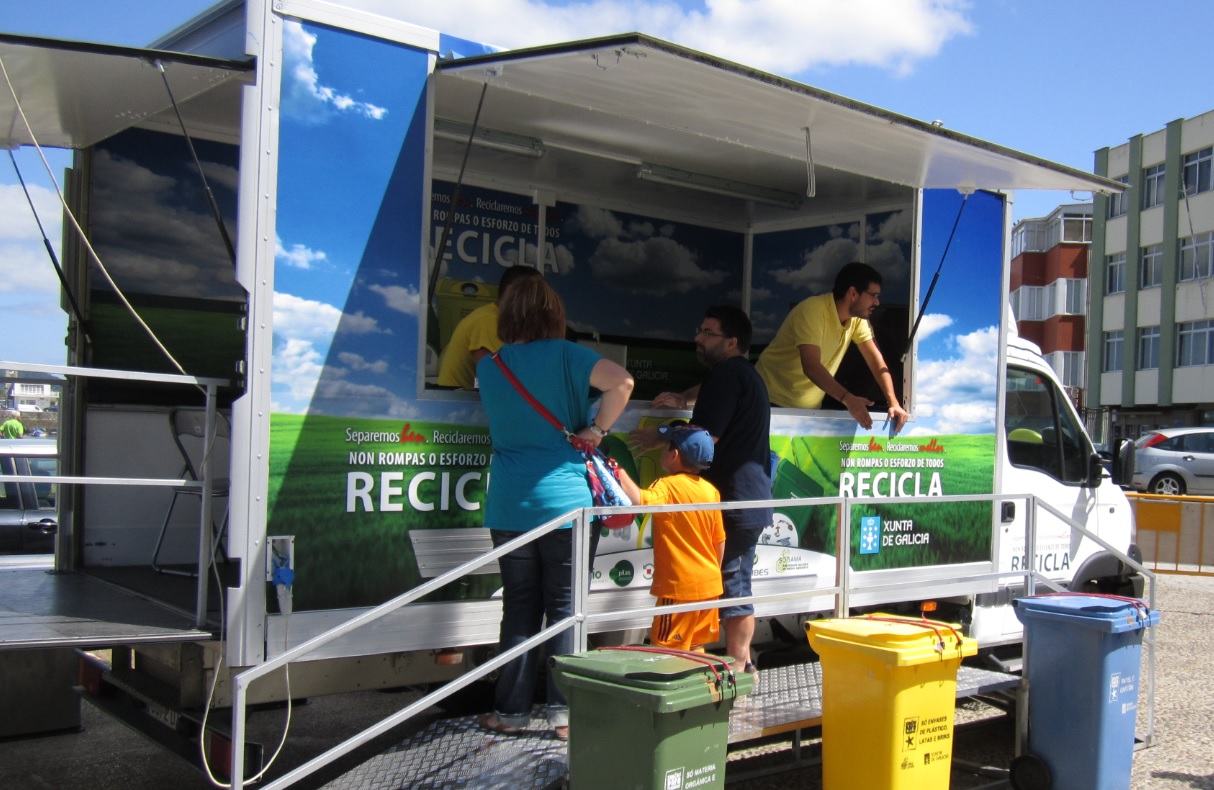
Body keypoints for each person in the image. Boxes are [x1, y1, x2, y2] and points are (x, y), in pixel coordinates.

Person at [474, 277, 634, 740]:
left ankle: (510, 712)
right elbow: (622, 383)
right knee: (566, 608)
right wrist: (597, 431)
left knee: (520, 609)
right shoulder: (567, 354)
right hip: (566, 504)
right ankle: (563, 716)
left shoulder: (490, 367)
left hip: (508, 505)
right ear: (553, 315)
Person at [635, 305, 771, 674]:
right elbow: (714, 403)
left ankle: (741, 668)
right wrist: (684, 397)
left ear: (730, 342)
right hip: (741, 501)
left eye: (707, 333)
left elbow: (703, 439)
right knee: (728, 585)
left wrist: (660, 434)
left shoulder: (727, 376)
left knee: (735, 588)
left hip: (737, 504)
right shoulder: (740, 373)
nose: (697, 338)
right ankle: (727, 665)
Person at [755, 261, 909, 433]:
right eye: (873, 295)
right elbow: (811, 366)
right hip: (766, 402)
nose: (878, 302)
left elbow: (876, 360)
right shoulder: (813, 310)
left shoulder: (858, 320)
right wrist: (848, 399)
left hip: (806, 412)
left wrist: (893, 403)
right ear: (853, 293)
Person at [615, 423, 725, 652]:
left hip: (679, 589)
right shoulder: (710, 491)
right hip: (710, 585)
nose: (662, 450)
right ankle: (702, 686)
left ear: (674, 455)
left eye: (665, 447)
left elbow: (639, 500)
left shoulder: (666, 486)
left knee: (667, 651)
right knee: (695, 647)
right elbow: (719, 541)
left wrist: (616, 470)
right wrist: (711, 575)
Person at [436, 265, 543, 389]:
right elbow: (499, 382)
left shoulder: (502, 322)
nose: (540, 304)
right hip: (461, 406)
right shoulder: (488, 321)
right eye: (536, 296)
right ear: (510, 292)